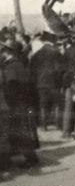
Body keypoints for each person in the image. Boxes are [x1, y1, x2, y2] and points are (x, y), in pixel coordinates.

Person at [0, 34, 40, 168]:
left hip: (16, 104)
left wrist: (8, 102)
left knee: (20, 132)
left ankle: (31, 159)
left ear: (8, 52)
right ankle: (10, 159)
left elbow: (12, 87)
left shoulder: (12, 66)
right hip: (20, 103)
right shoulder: (16, 64)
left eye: (3, 51)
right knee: (16, 132)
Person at [29, 33, 66, 130]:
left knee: (43, 104)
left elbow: (32, 70)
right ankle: (57, 124)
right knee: (57, 104)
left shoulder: (37, 54)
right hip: (55, 82)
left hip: (41, 83)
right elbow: (61, 69)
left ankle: (43, 125)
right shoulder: (56, 53)